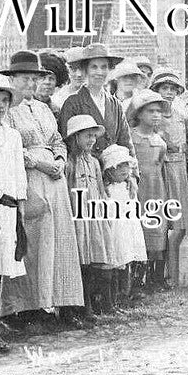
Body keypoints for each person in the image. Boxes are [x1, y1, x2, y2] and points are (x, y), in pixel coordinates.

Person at [0, 51, 85, 328]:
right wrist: (40, 163)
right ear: (13, 79)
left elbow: (58, 139)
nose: (31, 84)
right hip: (29, 179)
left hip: (54, 180)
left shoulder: (44, 108)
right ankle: (26, 309)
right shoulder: (7, 110)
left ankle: (57, 301)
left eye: (35, 78)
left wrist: (59, 159)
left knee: (58, 243)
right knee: (33, 243)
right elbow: (11, 149)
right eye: (25, 78)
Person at [0, 76, 28, 352]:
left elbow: (18, 173)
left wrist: (20, 207)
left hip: (10, 205)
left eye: (4, 101)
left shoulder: (12, 135)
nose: (0, 105)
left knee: (1, 265)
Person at [64, 113, 117, 315]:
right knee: (81, 260)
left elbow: (101, 189)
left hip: (94, 215)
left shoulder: (94, 162)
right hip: (79, 216)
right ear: (74, 138)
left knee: (98, 257)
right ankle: (82, 305)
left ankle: (100, 303)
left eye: (93, 136)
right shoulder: (70, 163)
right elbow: (68, 190)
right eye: (87, 136)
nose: (91, 140)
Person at [149, 71, 188, 288]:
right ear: (156, 91)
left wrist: (181, 153)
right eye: (163, 88)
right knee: (159, 221)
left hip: (178, 169)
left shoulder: (181, 115)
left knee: (178, 225)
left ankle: (172, 274)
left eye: (172, 89)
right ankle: (154, 275)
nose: (168, 93)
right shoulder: (152, 115)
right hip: (159, 169)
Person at [128, 89, 174, 290]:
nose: (156, 115)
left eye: (158, 111)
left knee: (158, 229)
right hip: (139, 190)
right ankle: (138, 279)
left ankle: (156, 278)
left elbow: (160, 167)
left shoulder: (160, 141)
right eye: (150, 111)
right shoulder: (131, 138)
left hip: (157, 190)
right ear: (138, 114)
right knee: (140, 231)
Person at [58, 43, 133, 156]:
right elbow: (67, 141)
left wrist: (132, 169)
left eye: (104, 67)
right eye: (94, 67)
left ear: (109, 70)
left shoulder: (115, 104)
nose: (99, 72)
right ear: (85, 70)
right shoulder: (73, 103)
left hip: (114, 168)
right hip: (86, 169)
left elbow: (125, 142)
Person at [100, 144, 147, 305]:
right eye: (119, 166)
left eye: (126, 165)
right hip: (114, 232)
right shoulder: (107, 190)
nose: (124, 169)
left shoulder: (129, 188)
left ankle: (123, 295)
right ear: (108, 170)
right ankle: (108, 300)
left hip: (127, 232)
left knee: (126, 261)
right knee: (112, 264)